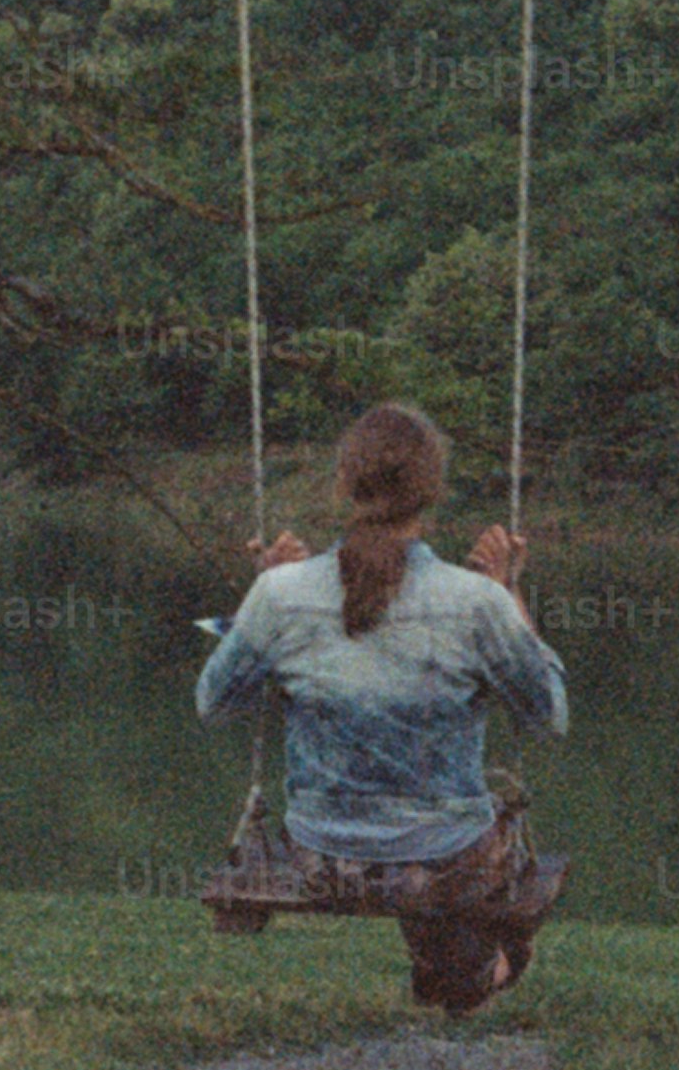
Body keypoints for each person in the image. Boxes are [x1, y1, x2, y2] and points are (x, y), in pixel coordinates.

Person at [192, 399, 571, 1011]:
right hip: (444, 864)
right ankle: (472, 967)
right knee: (449, 845)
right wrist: (510, 593)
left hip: (322, 860)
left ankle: (453, 968)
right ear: (433, 491)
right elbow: (549, 714)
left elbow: (214, 702)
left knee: (425, 845)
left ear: (344, 483)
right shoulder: (478, 601)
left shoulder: (280, 593)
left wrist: (261, 600)